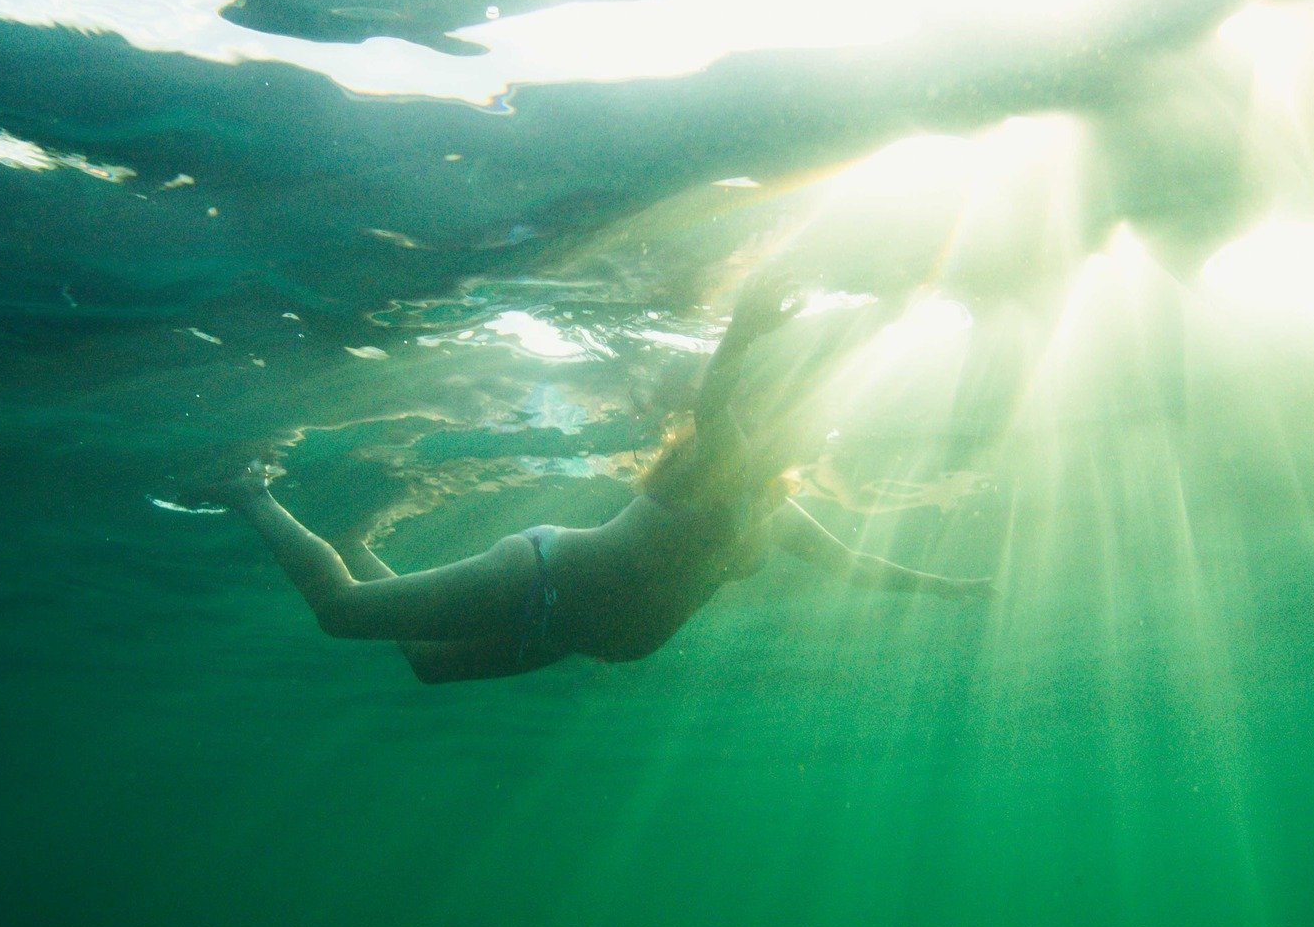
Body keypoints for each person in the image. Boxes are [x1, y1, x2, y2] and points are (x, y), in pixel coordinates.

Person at [207, 275, 992, 683]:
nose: (818, 432)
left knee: (426, 662)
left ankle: (353, 536)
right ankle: (248, 488)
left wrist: (945, 587)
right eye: (807, 419)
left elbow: (858, 564)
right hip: (538, 575)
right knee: (341, 614)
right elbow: (716, 400)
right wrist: (743, 329)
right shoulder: (720, 463)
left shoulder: (774, 505)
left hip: (562, 630)